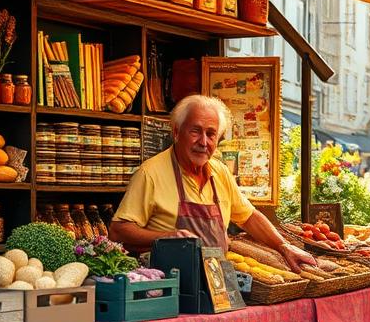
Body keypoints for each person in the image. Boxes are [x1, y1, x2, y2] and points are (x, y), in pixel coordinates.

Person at [109, 94, 316, 273]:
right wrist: (168, 236)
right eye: (195, 131)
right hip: (167, 286)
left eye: (211, 134)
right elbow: (118, 231)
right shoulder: (150, 173)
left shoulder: (220, 172)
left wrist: (285, 246)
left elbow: (249, 217)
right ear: (176, 132)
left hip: (216, 284)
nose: (203, 142)